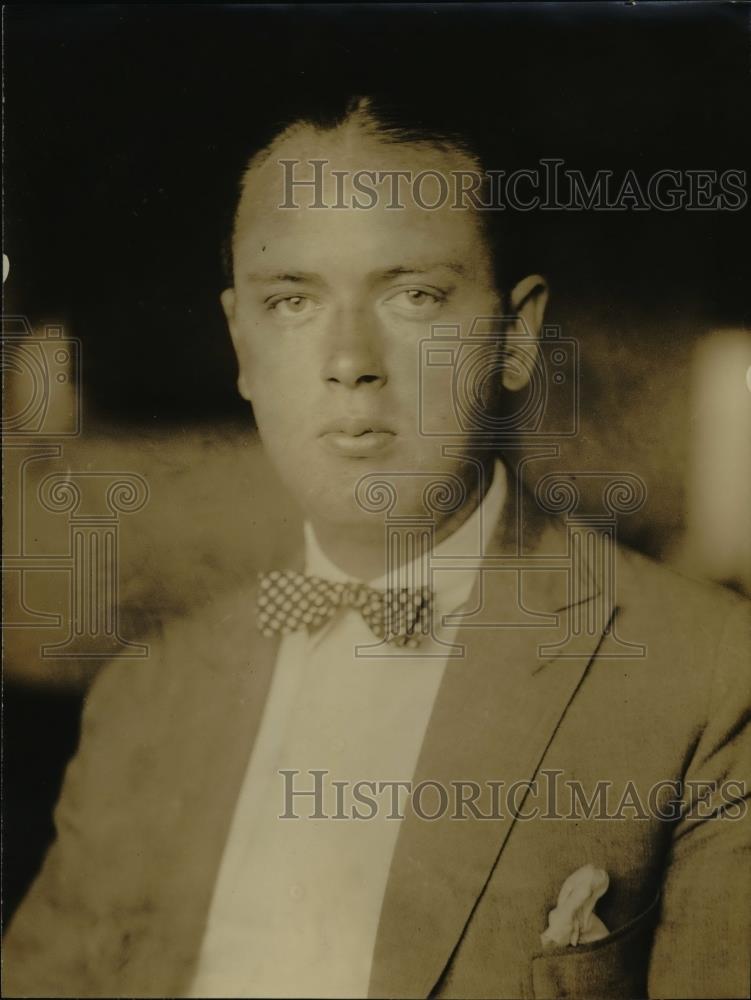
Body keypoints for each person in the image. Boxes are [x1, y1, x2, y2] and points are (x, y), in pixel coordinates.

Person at [3, 94, 749, 1000]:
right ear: (242, 345)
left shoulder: (710, 677)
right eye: (292, 301)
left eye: (414, 295)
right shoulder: (148, 698)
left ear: (515, 338)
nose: (348, 358)